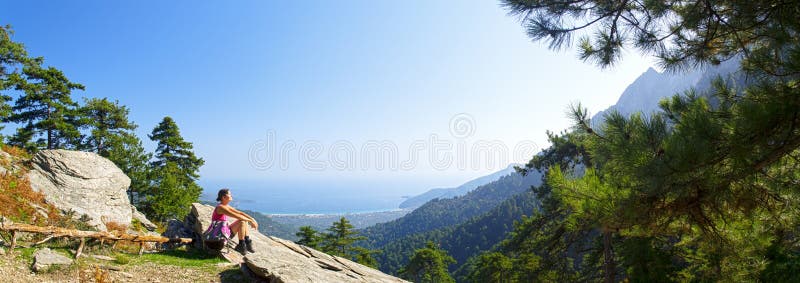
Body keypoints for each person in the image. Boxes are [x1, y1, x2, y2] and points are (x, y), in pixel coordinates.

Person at [213, 188, 258, 254]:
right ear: (224, 197)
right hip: (219, 235)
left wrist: (252, 219)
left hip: (224, 232)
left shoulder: (226, 206)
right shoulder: (221, 207)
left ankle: (246, 242)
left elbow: (240, 213)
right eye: (230, 194)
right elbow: (237, 216)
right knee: (242, 221)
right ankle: (241, 244)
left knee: (244, 220)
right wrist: (251, 221)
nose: (231, 196)